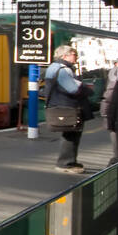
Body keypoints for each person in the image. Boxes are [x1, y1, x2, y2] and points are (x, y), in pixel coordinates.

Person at [43, 45, 92, 173]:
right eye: (74, 54)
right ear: (64, 56)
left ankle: (70, 161)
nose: (76, 57)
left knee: (70, 133)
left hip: (60, 106)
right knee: (71, 134)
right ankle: (65, 163)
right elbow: (73, 88)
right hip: (67, 107)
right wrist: (86, 89)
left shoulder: (54, 67)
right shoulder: (63, 69)